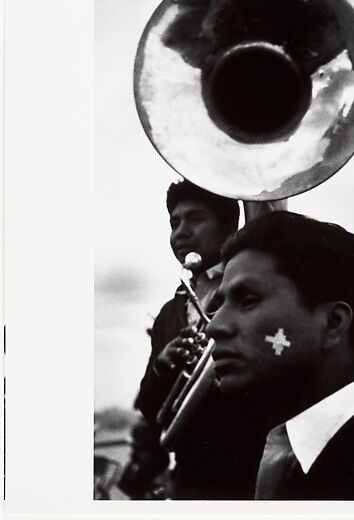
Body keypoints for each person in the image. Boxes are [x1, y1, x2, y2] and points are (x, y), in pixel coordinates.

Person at [207, 210, 354, 500]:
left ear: (333, 323)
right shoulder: (266, 444)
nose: (213, 326)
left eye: (248, 300)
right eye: (219, 304)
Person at [124, 179, 266, 499]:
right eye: (175, 222)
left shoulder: (250, 289)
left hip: (252, 465)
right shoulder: (168, 313)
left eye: (195, 219)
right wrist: (163, 365)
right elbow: (149, 406)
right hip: (192, 473)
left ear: (229, 227)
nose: (180, 231)